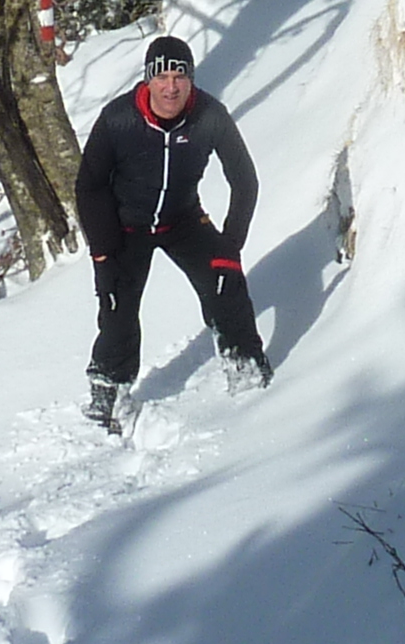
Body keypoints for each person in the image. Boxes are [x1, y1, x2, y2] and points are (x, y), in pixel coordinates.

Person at [74, 33, 271, 429]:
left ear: (190, 80)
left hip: (182, 219)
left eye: (180, 77)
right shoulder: (119, 119)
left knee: (225, 280)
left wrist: (230, 245)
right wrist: (103, 249)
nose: (171, 87)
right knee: (117, 306)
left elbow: (244, 180)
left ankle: (246, 367)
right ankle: (108, 391)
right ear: (148, 80)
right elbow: (89, 185)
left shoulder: (209, 116)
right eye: (161, 77)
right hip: (125, 225)